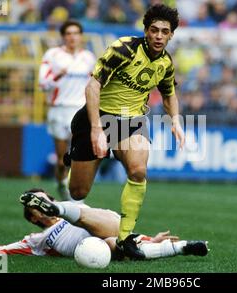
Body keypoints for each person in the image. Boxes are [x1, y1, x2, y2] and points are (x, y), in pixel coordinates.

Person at [67, 4, 185, 260]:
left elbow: (169, 94)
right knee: (78, 192)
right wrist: (97, 129)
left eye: (164, 31)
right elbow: (92, 86)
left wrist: (175, 120)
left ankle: (124, 240)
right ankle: (73, 158)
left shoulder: (165, 63)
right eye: (154, 30)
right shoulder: (124, 49)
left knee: (138, 170)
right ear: (145, 30)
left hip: (130, 121)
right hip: (95, 118)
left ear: (171, 35)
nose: (158, 36)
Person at [0, 189, 208, 260]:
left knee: (86, 214)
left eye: (42, 200)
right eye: (35, 206)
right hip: (104, 244)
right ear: (33, 217)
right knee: (116, 244)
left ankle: (140, 241)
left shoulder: (74, 207)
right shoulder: (37, 239)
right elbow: (1, 249)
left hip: (103, 222)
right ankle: (183, 248)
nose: (38, 207)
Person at [39, 19, 96, 200]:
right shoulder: (53, 55)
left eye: (76, 33)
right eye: (69, 33)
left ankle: (76, 197)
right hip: (59, 109)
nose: (73, 37)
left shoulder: (88, 57)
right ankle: (61, 184)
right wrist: (58, 75)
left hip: (80, 110)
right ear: (64, 36)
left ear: (81, 36)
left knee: (79, 155)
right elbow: (42, 84)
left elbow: (93, 84)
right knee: (62, 160)